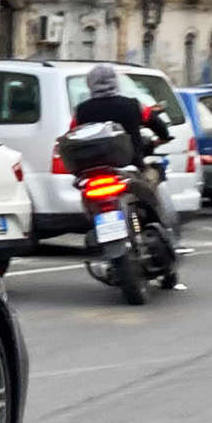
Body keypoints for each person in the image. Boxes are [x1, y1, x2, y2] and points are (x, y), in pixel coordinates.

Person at [74, 62, 184, 290]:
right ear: (114, 82)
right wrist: (162, 138)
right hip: (129, 169)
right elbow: (156, 123)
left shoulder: (82, 110)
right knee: (156, 187)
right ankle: (166, 233)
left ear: (91, 85)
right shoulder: (132, 105)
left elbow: (72, 134)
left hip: (96, 174)